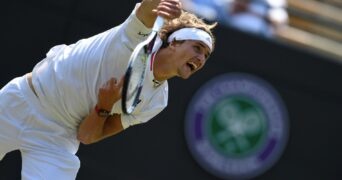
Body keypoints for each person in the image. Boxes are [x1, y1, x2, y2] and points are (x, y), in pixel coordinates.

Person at [0, 0, 216, 179]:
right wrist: (165, 4)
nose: (200, 58)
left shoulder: (157, 101)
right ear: (175, 42)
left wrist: (103, 106)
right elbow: (149, 9)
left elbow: (86, 135)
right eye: (197, 48)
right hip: (19, 102)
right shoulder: (137, 38)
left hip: (57, 139)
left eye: (206, 56)